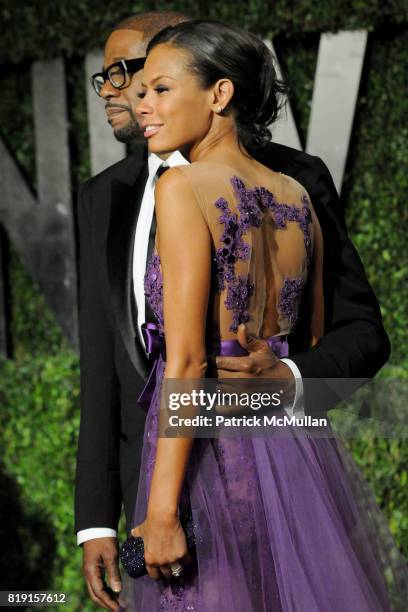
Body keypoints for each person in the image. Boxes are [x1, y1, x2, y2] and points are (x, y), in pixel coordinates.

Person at [74, 12, 393, 612]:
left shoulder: (192, 185)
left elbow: (190, 357)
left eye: (152, 84)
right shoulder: (288, 194)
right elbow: (102, 369)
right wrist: (97, 520)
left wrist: (162, 507)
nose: (130, 97)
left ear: (218, 91)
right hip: (295, 458)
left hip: (199, 464)